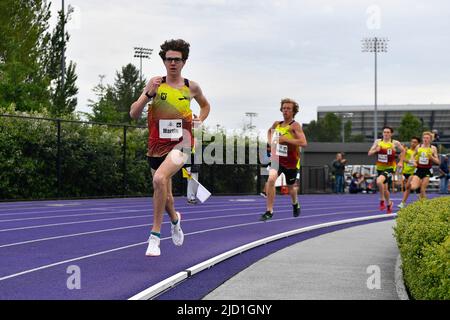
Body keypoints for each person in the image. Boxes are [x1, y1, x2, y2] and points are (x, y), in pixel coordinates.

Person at [129, 39, 211, 256]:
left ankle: (154, 237)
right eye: (169, 59)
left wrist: (200, 119)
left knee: (158, 180)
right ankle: (175, 220)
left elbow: (205, 105)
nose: (173, 63)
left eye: (177, 59)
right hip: (156, 146)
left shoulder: (191, 87)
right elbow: (133, 114)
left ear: (184, 62)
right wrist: (147, 95)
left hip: (182, 143)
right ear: (164, 61)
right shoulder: (155, 84)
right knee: (165, 195)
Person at [260, 98, 307, 221]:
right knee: (271, 180)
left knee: (291, 188)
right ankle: (269, 211)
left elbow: (303, 142)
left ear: (293, 111)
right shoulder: (277, 124)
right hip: (277, 159)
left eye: (288, 109)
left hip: (291, 162)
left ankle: (295, 203)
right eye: (284, 108)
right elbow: (269, 131)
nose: (285, 111)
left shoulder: (295, 126)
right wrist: (270, 142)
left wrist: (286, 140)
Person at [368, 126, 405, 214]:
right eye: (385, 132)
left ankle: (381, 201)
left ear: (391, 134)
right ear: (382, 133)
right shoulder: (378, 142)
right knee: (385, 189)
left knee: (378, 181)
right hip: (380, 168)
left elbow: (403, 151)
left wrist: (401, 162)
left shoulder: (395, 143)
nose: (386, 134)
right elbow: (369, 153)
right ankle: (389, 204)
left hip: (390, 167)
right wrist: (375, 150)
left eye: (388, 132)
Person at [409, 132, 440, 200]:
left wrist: (431, 158)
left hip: (427, 170)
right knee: (413, 187)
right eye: (424, 138)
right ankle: (419, 193)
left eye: (427, 138)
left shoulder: (433, 148)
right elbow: (412, 155)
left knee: (423, 189)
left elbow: (438, 161)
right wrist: (413, 161)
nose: (425, 139)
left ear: (430, 139)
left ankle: (424, 203)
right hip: (419, 169)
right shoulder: (418, 146)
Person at [398, 137, 421, 209]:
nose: (413, 143)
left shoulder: (418, 152)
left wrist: (415, 162)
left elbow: (420, 162)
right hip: (406, 172)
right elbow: (400, 157)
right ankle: (422, 202)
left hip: (415, 172)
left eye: (415, 142)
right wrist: (409, 161)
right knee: (416, 189)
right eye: (412, 142)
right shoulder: (407, 150)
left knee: (407, 187)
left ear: (418, 144)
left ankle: (402, 203)